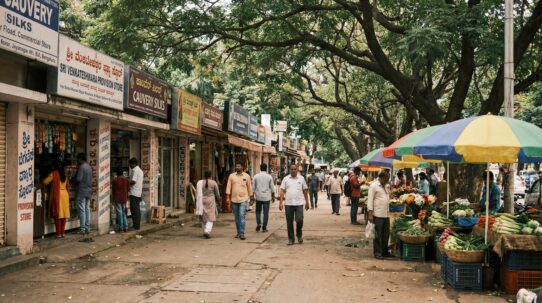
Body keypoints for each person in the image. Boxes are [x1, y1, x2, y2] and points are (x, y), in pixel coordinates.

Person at [279, 164, 310, 245]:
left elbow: (305, 191)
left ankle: (299, 235)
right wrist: (281, 202)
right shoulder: (286, 179)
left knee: (299, 220)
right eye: (291, 169)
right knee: (289, 222)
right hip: (288, 204)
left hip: (299, 203)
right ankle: (291, 239)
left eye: (294, 169)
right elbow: (282, 191)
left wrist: (307, 202)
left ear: (297, 170)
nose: (293, 170)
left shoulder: (301, 178)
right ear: (290, 170)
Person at [226, 163, 254, 240]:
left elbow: (250, 188)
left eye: (239, 166)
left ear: (242, 167)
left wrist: (251, 198)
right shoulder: (231, 176)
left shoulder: (247, 176)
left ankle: (242, 233)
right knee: (236, 217)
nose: (237, 167)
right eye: (236, 166)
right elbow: (228, 187)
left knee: (241, 215)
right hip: (234, 199)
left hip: (244, 199)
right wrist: (227, 198)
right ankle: (238, 232)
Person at [43, 160, 70, 238]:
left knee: (58, 214)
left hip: (58, 195)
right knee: (64, 215)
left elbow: (45, 182)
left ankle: (58, 234)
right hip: (65, 194)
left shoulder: (53, 174)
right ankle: (62, 233)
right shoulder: (65, 175)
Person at [368, 171, 391, 260]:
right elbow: (370, 200)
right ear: (381, 178)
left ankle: (385, 251)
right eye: (386, 179)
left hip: (386, 214)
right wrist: (370, 213)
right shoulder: (374, 186)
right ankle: (377, 252)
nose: (387, 181)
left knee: (386, 234)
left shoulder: (385, 186)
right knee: (378, 235)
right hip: (377, 214)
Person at [196, 170, 221, 238]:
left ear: (204, 175)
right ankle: (207, 231)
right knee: (210, 217)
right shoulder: (213, 183)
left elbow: (197, 193)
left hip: (201, 200)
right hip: (210, 200)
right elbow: (217, 194)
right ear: (211, 175)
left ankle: (204, 230)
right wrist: (219, 200)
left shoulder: (200, 182)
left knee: (203, 216)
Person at [253, 163, 275, 232]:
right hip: (266, 197)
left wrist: (251, 196)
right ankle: (264, 227)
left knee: (258, 211)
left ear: (260, 168)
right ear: (266, 168)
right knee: (266, 212)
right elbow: (272, 188)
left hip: (258, 196)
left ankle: (259, 223)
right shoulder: (269, 177)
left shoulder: (256, 176)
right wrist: (273, 196)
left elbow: (253, 187)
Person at [75, 153, 92, 237]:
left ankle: (82, 229)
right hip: (88, 190)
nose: (78, 161)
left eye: (78, 159)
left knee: (82, 210)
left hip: (82, 190)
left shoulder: (82, 167)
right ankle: (87, 228)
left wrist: (74, 182)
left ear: (80, 159)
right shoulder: (89, 167)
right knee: (87, 209)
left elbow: (79, 179)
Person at [112, 168, 130, 233]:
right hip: (124, 198)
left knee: (119, 213)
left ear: (117, 174)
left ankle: (121, 228)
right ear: (122, 173)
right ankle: (126, 227)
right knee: (124, 213)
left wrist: (113, 199)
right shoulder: (126, 180)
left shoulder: (115, 180)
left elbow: (113, 191)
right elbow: (128, 189)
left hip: (118, 198)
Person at [128, 158, 144, 231]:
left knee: (134, 210)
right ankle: (137, 225)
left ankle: (135, 226)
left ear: (133, 163)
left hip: (134, 192)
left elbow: (133, 182)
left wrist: (127, 184)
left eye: (130, 164)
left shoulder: (135, 170)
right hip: (138, 193)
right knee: (137, 209)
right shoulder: (140, 171)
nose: (129, 166)